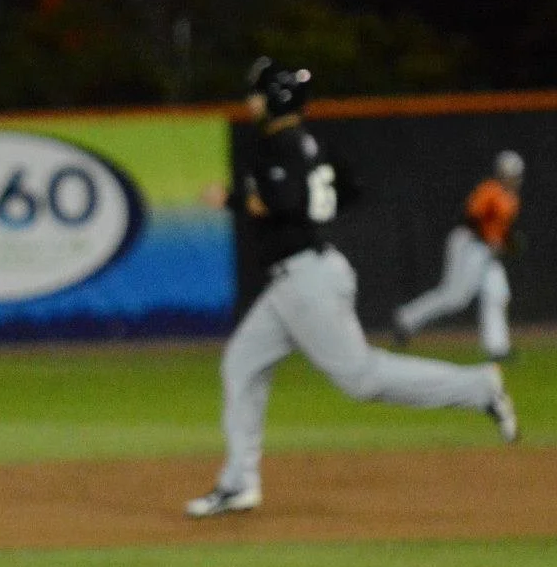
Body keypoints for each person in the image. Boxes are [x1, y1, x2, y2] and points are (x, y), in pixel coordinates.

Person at [186, 60, 518, 519]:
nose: (251, 101)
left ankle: (479, 387)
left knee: (361, 379)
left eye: (258, 94)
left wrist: (232, 200)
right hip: (299, 279)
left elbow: (284, 202)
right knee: (241, 366)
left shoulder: (278, 144)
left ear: (276, 99)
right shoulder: (312, 143)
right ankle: (239, 482)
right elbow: (351, 189)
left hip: (307, 281)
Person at [392, 150, 524, 359]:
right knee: (454, 298)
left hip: (486, 251)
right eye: (509, 174)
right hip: (468, 245)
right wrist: (491, 240)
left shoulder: (512, 199)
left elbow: (500, 231)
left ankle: (498, 348)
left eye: (515, 175)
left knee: (497, 293)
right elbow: (470, 218)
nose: (513, 178)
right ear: (500, 173)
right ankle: (406, 319)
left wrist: (508, 242)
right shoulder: (489, 191)